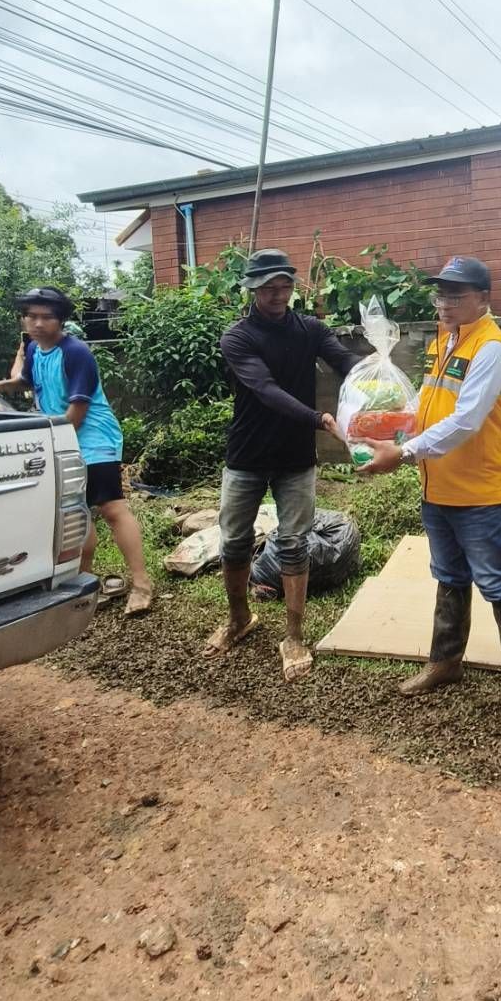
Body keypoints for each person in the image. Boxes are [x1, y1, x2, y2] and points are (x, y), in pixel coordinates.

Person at [361, 256, 501, 734]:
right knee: (450, 577)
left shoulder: (492, 348)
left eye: (456, 295)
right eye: (441, 294)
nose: (445, 303)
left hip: (481, 492)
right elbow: (426, 402)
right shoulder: (446, 341)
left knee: (499, 585)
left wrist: (402, 453)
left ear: (483, 297)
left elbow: (466, 420)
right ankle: (446, 661)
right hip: (439, 487)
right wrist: (390, 420)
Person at [206, 248, 359, 682]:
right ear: (253, 289)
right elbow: (265, 389)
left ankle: (293, 635)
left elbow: (344, 362)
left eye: (285, 286)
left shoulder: (310, 328)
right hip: (247, 456)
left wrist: (373, 379)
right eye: (268, 287)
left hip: (295, 459)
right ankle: (240, 619)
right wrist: (318, 419)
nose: (278, 294)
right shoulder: (237, 337)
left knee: (295, 543)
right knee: (234, 542)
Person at [0, 286, 154, 614]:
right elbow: (26, 381)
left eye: (47, 317)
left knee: (111, 508)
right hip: (61, 436)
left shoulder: (76, 353)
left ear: (61, 320)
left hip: (93, 438)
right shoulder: (32, 349)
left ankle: (143, 584)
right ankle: (83, 582)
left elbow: (76, 414)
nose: (38, 323)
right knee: (74, 510)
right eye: (31, 316)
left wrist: (43, 441)